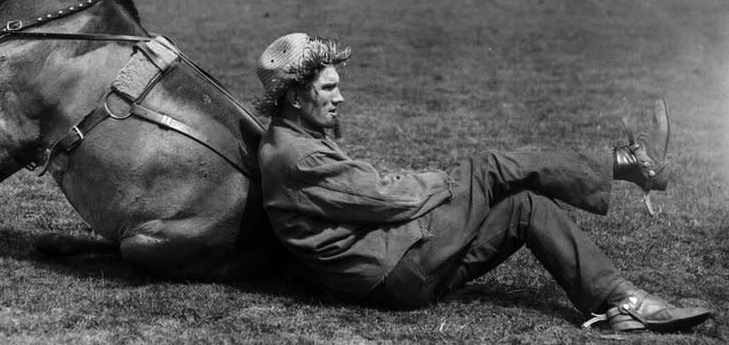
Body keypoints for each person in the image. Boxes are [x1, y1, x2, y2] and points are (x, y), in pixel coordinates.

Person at [254, 32, 711, 333]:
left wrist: (430, 187)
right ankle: (627, 162)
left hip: (394, 266)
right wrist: (448, 182)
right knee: (490, 168)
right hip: (391, 271)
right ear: (295, 97)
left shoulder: (294, 137)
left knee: (525, 205)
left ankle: (622, 302)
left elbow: (366, 192)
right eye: (328, 89)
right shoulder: (297, 155)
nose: (341, 97)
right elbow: (384, 198)